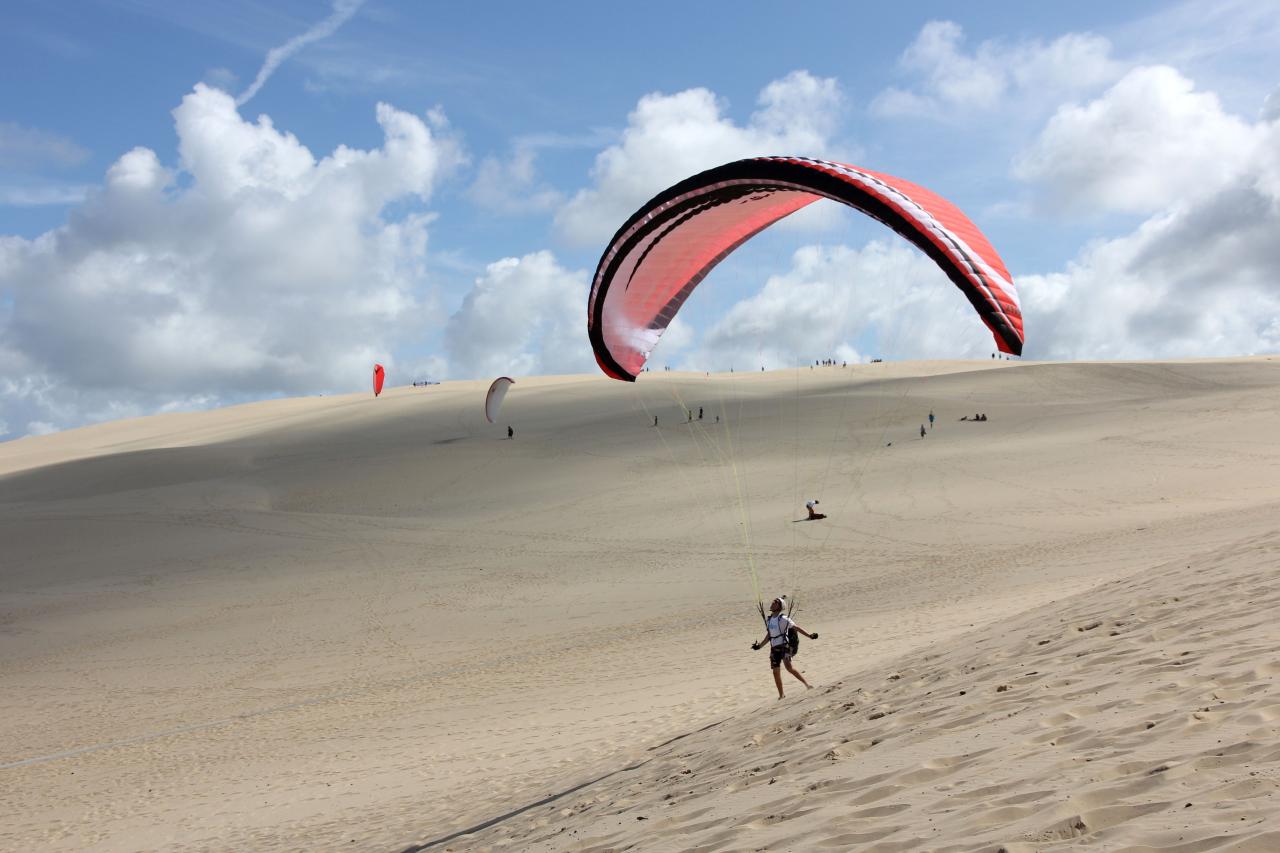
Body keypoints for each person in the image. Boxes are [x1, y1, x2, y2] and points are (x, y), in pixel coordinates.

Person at [752, 597, 817, 699]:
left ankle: (807, 684)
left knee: (789, 668)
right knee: (775, 672)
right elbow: (769, 635)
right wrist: (759, 646)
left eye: (775, 602)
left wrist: (809, 635)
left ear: (779, 606)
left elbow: (796, 627)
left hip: (784, 646)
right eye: (773, 602)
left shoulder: (783, 619)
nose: (772, 603)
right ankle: (781, 695)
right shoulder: (769, 619)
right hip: (774, 648)